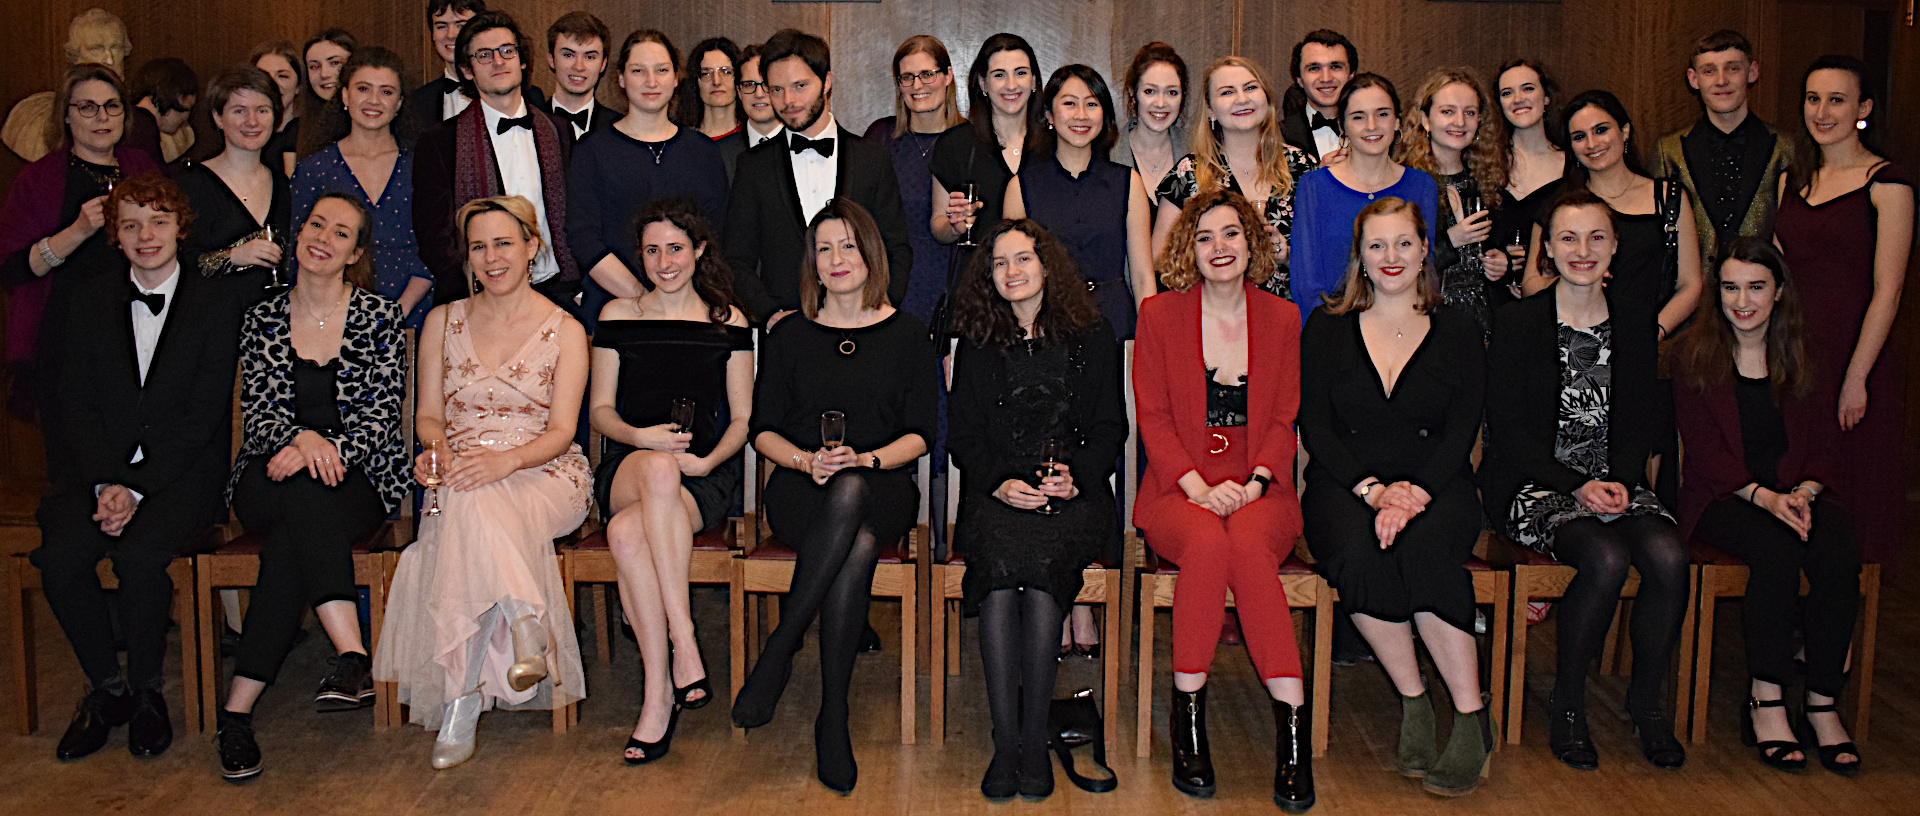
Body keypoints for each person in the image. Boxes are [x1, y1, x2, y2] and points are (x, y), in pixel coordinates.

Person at [30, 175, 252, 762]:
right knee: (61, 554)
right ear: (115, 237)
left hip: (179, 475)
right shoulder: (90, 300)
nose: (145, 235)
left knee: (140, 556)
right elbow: (75, 403)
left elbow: (204, 414)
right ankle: (107, 689)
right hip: (97, 473)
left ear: (181, 227)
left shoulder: (215, 302)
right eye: (130, 225)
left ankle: (149, 692)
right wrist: (108, 482)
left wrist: (137, 485)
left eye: (157, 221)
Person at [374, 194, 592, 769]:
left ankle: (462, 701)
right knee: (470, 496)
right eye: (478, 247)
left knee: (476, 496)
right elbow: (427, 417)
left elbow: (564, 431)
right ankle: (523, 620)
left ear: (531, 247)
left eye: (503, 243)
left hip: (544, 473)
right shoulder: (442, 321)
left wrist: (506, 460)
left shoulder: (566, 329)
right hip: (462, 471)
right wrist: (435, 454)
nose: (491, 258)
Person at [729, 200, 936, 794]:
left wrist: (866, 460)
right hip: (799, 489)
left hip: (885, 482)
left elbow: (921, 434)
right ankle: (832, 719)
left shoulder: (908, 334)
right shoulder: (790, 333)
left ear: (871, 255)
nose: (837, 259)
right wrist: (803, 461)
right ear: (811, 264)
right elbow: (762, 427)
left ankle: (782, 648)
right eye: (824, 249)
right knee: (857, 541)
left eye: (848, 246)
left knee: (858, 504)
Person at [1483, 190, 1689, 772]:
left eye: (1597, 237)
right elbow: (1510, 430)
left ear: (1615, 247)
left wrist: (1620, 480)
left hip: (1616, 479)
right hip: (1535, 484)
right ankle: (1568, 705)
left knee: (1669, 556)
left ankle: (1646, 704)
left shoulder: (1634, 322)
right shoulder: (1520, 322)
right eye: (1567, 238)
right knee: (1604, 556)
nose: (1582, 250)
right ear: (1546, 248)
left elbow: (1640, 418)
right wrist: (1575, 486)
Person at [213, 192, 409, 782]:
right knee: (302, 497)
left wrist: (328, 448)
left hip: (357, 475)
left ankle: (237, 713)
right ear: (299, 235)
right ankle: (351, 652)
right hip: (271, 470)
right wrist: (301, 442)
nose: (324, 237)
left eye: (341, 233)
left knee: (295, 536)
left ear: (356, 253)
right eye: (317, 225)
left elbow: (380, 417)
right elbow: (259, 411)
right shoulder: (264, 314)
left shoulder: (380, 317)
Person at [1298, 198, 1491, 796]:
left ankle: (1468, 715)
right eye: (1377, 246)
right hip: (1346, 485)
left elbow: (1464, 429)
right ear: (1359, 254)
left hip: (1439, 485)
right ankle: (1413, 698)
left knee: (1427, 553)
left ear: (1425, 249)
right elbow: (1317, 427)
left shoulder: (1459, 328)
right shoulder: (1326, 327)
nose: (1391, 258)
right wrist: (1375, 491)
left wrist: (1415, 494)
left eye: (1403, 244)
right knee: (1358, 556)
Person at [1134, 189, 1312, 811]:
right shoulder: (1159, 315)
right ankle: (1189, 724)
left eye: (1231, 234)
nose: (1219, 247)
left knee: (1251, 548)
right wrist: (1200, 490)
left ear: (1251, 243)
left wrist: (1257, 482)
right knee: (1209, 543)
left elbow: (1283, 418)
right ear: (1189, 248)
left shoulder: (1283, 318)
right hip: (1177, 488)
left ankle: (1292, 735)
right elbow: (1153, 419)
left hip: (1263, 485)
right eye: (1204, 237)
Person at [947, 219, 1126, 799]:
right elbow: (964, 438)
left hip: (1073, 495)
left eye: (1023, 259)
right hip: (997, 495)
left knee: (1045, 567)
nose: (1012, 272)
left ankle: (1033, 738)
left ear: (1047, 266)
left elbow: (1110, 429)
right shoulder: (976, 340)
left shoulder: (1093, 335)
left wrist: (1079, 478)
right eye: (999, 264)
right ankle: (1010, 742)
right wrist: (998, 482)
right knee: (999, 573)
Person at [1669, 238, 1861, 776]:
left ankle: (1822, 700)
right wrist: (1766, 497)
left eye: (1756, 287)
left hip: (1796, 492)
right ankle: (1766, 694)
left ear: (1779, 293)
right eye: (1730, 287)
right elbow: (1704, 455)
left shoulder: (1803, 354)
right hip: (1725, 497)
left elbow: (1825, 442)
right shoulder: (1692, 356)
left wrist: (1804, 492)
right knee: (1775, 551)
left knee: (1837, 547)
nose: (1742, 301)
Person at [589, 200, 752, 764]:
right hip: (630, 466)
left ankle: (657, 694)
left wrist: (706, 466)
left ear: (700, 250)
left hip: (699, 476)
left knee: (627, 538)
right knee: (656, 469)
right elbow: (601, 412)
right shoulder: (618, 314)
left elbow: (740, 421)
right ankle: (685, 639)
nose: (664, 261)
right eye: (652, 250)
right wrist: (642, 438)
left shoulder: (728, 321)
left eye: (676, 248)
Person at [1773, 55, 1912, 569]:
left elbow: (1889, 290)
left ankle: (1843, 644)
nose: (1822, 111)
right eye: (1813, 99)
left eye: (1837, 100)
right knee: (1798, 484)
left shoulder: (1887, 183)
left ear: (1863, 109)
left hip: (1855, 358)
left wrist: (1857, 376)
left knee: (1852, 496)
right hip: (1796, 359)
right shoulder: (1793, 181)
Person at [0, 64, 162, 413]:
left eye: (112, 105)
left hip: (139, 334)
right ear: (67, 117)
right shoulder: (38, 178)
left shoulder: (143, 167)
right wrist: (77, 231)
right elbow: (11, 270)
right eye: (87, 107)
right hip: (66, 340)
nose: (102, 116)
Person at [724, 28, 912, 325]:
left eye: (800, 86)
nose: (788, 100)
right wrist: (770, 314)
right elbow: (735, 259)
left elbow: (896, 245)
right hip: (786, 331)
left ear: (826, 82)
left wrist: (880, 307)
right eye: (776, 89)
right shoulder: (752, 166)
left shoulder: (871, 158)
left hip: (864, 325)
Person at [413, 10, 579, 311]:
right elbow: (435, 239)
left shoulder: (559, 130)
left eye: (507, 51)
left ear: (522, 60)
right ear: (467, 69)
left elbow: (576, 217)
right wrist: (482, 289)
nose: (499, 61)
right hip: (476, 299)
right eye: (484, 55)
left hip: (557, 293)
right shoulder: (438, 142)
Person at [567, 29, 729, 333]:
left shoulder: (703, 152)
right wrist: (643, 302)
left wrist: (682, 303)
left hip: (693, 314)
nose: (651, 82)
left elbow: (716, 234)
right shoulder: (592, 151)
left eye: (662, 70)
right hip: (614, 312)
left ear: (676, 77)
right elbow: (583, 237)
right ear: (620, 78)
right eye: (638, 71)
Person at [1525, 91, 1701, 338]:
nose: (1591, 144)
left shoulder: (1669, 197)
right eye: (1579, 136)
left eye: (1601, 130)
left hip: (1650, 346)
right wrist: (1567, 281)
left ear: (1625, 131)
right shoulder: (1558, 204)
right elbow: (1531, 284)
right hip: (1576, 342)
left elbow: (1690, 285)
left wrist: (1652, 332)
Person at [291, 46, 437, 326]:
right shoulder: (314, 169)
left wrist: (397, 312)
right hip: (332, 317)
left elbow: (434, 249)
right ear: (344, 95)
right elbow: (299, 253)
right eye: (363, 89)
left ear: (399, 103)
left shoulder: (423, 165)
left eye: (386, 92)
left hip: (414, 313)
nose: (373, 101)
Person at [1005, 64, 1153, 339]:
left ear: (1104, 115)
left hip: (1115, 322)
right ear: (1049, 114)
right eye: (1070, 104)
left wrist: (1151, 338)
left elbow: (1143, 276)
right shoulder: (1021, 187)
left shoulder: (1129, 182)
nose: (1081, 115)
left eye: (1092, 104)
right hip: (1047, 324)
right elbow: (1014, 274)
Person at [1151, 56, 1314, 301]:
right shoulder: (1189, 173)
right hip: (1213, 316)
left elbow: (1325, 256)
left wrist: (1287, 255)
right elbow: (1160, 259)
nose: (1242, 99)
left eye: (1250, 88)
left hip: (1290, 318)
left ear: (1267, 99)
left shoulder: (1303, 167)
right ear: (1210, 110)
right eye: (1227, 92)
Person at [1292, 73, 1438, 326]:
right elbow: (1306, 282)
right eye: (1358, 117)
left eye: (1382, 114)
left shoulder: (1422, 186)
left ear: (1397, 122)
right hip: (1334, 332)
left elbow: (1425, 268)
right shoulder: (1314, 186)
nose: (1371, 126)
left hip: (1404, 329)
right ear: (1342, 126)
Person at [1656, 31, 1794, 268]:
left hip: (1761, 293)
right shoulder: (1668, 150)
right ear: (1693, 79)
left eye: (1733, 68)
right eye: (1709, 71)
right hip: (1691, 294)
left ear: (1752, 72)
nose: (1721, 80)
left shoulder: (1786, 148)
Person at [860, 34, 964, 323]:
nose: (917, 86)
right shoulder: (879, 138)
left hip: (950, 292)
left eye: (927, 74)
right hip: (887, 291)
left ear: (948, 76)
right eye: (907, 77)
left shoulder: (970, 142)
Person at [1398, 69, 1508, 335]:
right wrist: (1450, 242)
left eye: (1469, 113)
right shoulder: (1405, 183)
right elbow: (1397, 263)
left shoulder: (1487, 180)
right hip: (1427, 320)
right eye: (1448, 112)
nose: (1460, 122)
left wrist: (1501, 263)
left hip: (1484, 322)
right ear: (1425, 119)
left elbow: (1497, 249)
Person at [175, 67, 288, 284]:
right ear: (218, 118)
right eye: (239, 111)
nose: (252, 121)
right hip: (213, 312)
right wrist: (233, 256)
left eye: (262, 110)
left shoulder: (283, 185)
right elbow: (175, 262)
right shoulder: (189, 184)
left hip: (274, 314)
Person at [930, 34, 1039, 257]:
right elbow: (938, 225)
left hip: (1046, 283)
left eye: (1021, 73)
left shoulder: (1057, 144)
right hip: (976, 282)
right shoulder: (955, 144)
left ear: (1034, 80)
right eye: (999, 75)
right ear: (983, 83)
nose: (1011, 85)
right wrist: (954, 226)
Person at [1, 10, 144, 163]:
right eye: (96, 49)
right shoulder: (30, 116)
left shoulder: (146, 125)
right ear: (74, 55)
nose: (109, 60)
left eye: (116, 48)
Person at [1487, 59, 1563, 314]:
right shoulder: (1482, 164)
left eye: (1528, 88)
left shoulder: (1574, 165)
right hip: (1491, 305)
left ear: (1547, 97)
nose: (1518, 98)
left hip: (1551, 304)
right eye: (1507, 93)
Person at [411, 0, 546, 128]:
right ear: (432, 35)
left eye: (461, 25)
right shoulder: (417, 102)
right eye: (441, 26)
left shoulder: (531, 97)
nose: (451, 35)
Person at [1112, 42, 1189, 206]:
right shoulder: (1108, 153)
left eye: (1172, 92)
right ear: (1133, 94)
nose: (1160, 103)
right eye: (1150, 91)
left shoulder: (1200, 152)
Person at [1281, 30, 1357, 164]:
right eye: (1314, 68)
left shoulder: (1376, 130)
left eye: (1335, 66)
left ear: (1351, 75)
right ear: (1299, 79)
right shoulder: (1276, 137)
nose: (1326, 78)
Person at [716, 44, 785, 182]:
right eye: (749, 85)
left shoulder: (804, 147)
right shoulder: (718, 154)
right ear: (739, 91)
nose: (759, 94)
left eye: (766, 84)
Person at [544, 11, 612, 141]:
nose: (578, 66)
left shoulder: (619, 130)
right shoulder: (528, 125)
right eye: (568, 55)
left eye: (590, 57)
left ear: (603, 64)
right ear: (551, 59)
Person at [294, 29, 357, 162]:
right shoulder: (300, 130)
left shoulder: (370, 122)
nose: (324, 74)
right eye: (314, 67)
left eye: (335, 63)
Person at [127, 58, 198, 165]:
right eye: (188, 109)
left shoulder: (136, 122)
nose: (185, 120)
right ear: (177, 96)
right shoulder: (142, 129)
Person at [251, 41, 306, 175]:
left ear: (298, 86)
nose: (273, 83)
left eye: (282, 76)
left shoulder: (308, 136)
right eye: (264, 75)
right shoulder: (244, 134)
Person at [675, 37, 743, 141]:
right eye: (706, 73)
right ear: (696, 81)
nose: (716, 81)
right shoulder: (681, 141)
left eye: (726, 72)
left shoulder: (753, 139)